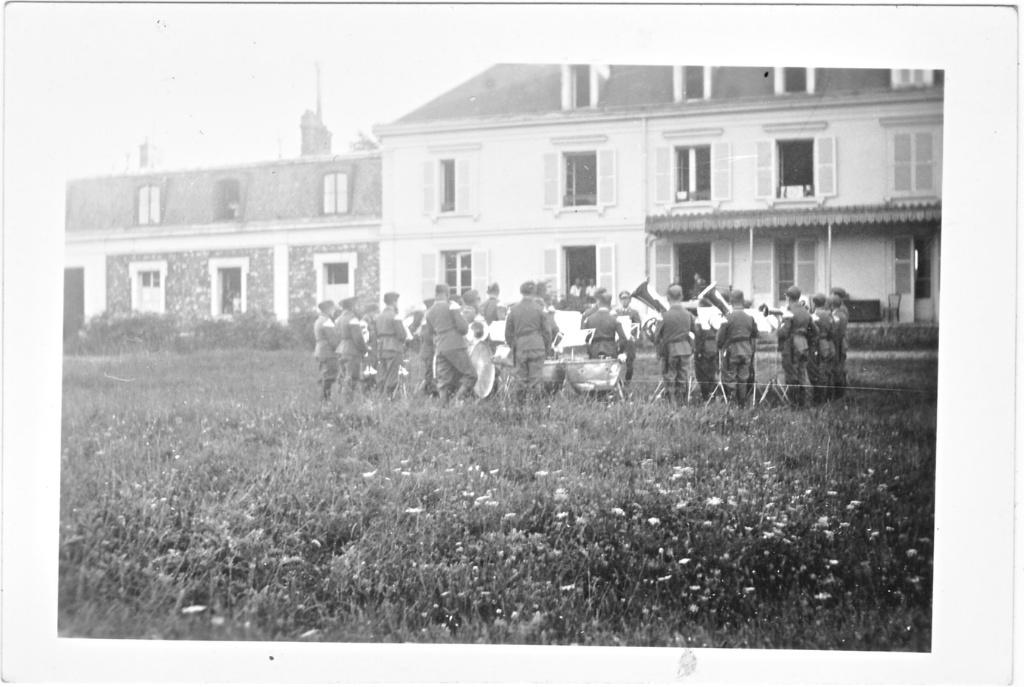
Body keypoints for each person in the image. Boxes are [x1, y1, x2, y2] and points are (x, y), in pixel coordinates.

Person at [421, 284, 476, 403]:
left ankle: (443, 407)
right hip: (456, 345)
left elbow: (431, 332)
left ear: (436, 295)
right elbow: (463, 329)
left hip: (440, 347)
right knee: (471, 375)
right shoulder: (452, 307)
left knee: (443, 381)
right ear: (447, 294)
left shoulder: (429, 312)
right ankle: (457, 400)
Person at [504, 281, 552, 403]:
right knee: (536, 380)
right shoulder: (540, 309)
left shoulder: (513, 310)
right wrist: (546, 348)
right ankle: (536, 409)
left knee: (520, 380)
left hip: (521, 346)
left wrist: (514, 346)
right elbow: (547, 332)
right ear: (534, 292)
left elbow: (508, 333)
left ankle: (520, 409)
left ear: (521, 292)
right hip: (537, 345)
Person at [653, 285, 695, 405]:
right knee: (683, 375)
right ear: (681, 296)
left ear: (667, 297)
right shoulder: (688, 314)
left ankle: (672, 402)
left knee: (670, 375)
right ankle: (682, 401)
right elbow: (694, 331)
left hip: (670, 350)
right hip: (685, 349)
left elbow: (657, 337)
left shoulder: (664, 316)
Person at [716, 290, 758, 406]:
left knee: (730, 378)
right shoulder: (750, 317)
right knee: (743, 378)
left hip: (732, 351)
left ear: (731, 301)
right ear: (743, 301)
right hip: (746, 350)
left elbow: (720, 338)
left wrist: (719, 346)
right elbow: (754, 334)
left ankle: (731, 404)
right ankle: (742, 405)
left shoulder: (727, 318)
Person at [777, 285, 816, 407]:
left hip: (791, 345)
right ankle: (802, 402)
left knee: (791, 374)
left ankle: (793, 404)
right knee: (801, 373)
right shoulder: (806, 311)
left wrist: (778, 327)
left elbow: (783, 332)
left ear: (788, 297)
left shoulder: (789, 311)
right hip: (803, 344)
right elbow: (815, 331)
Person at [376, 292, 410, 398]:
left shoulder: (379, 316)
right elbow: (402, 335)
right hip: (393, 347)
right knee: (393, 376)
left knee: (383, 375)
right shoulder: (395, 316)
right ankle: (388, 399)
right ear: (394, 302)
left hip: (381, 348)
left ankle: (380, 397)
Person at [334, 297, 368, 403]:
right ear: (352, 306)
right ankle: (347, 403)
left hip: (341, 349)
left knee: (342, 376)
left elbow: (336, 335)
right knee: (352, 378)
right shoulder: (352, 319)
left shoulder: (338, 319)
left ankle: (339, 401)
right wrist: (364, 349)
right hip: (352, 350)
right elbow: (358, 338)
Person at [809, 293, 836, 404]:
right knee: (829, 371)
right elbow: (833, 330)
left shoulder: (814, 315)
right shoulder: (829, 314)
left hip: (819, 344)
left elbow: (812, 331)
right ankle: (830, 396)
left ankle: (820, 399)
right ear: (824, 303)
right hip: (830, 344)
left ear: (814, 303)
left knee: (820, 372)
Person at [583, 292, 628, 359]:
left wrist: (590, 352)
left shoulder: (589, 319)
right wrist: (619, 352)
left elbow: (585, 340)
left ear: (598, 304)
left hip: (594, 351)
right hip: (611, 350)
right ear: (609, 304)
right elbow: (623, 339)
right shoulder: (614, 319)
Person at [693, 298, 720, 402]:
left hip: (704, 349)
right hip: (714, 347)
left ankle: (706, 397)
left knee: (702, 374)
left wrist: (697, 351)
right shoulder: (714, 319)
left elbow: (698, 336)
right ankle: (713, 394)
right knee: (713, 372)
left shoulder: (700, 321)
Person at [313, 300, 340, 402]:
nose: (334, 311)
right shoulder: (327, 321)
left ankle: (323, 399)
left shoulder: (318, 320)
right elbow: (333, 340)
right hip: (328, 352)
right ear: (328, 309)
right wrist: (339, 351)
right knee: (330, 376)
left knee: (324, 375)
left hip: (320, 350)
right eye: (333, 308)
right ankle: (325, 400)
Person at [614, 290, 642, 385]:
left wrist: (634, 337)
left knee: (630, 364)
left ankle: (627, 382)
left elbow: (638, 326)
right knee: (615, 362)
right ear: (620, 300)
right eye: (622, 298)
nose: (624, 301)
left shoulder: (634, 312)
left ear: (630, 300)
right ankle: (617, 382)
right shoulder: (616, 312)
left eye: (626, 298)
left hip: (630, 341)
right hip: (619, 341)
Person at [829, 290, 850, 399]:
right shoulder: (843, 313)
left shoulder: (836, 315)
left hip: (837, 343)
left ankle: (838, 393)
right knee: (840, 366)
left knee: (836, 367)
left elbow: (834, 331)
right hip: (842, 342)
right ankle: (841, 391)